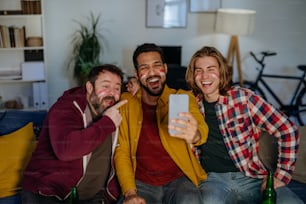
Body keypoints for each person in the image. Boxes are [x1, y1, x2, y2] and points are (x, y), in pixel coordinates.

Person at [185, 46, 303, 204]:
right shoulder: (190, 104)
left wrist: (281, 176)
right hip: (212, 180)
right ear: (193, 75)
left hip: (252, 177)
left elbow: (287, 129)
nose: (204, 75)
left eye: (210, 69)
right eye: (198, 70)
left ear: (221, 72)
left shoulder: (243, 98)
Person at [114, 43, 209, 204]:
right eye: (144, 68)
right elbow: (122, 152)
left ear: (165, 68)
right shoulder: (126, 102)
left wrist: (195, 135)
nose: (152, 73)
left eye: (157, 65)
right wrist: (130, 192)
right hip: (141, 183)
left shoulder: (182, 97)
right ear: (137, 74)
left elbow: (201, 130)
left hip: (179, 181)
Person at [22, 64, 128, 204]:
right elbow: (66, 150)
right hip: (48, 194)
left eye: (117, 88)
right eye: (105, 86)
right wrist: (107, 123)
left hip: (93, 198)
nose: (111, 93)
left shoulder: (115, 111)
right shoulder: (65, 108)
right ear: (90, 87)